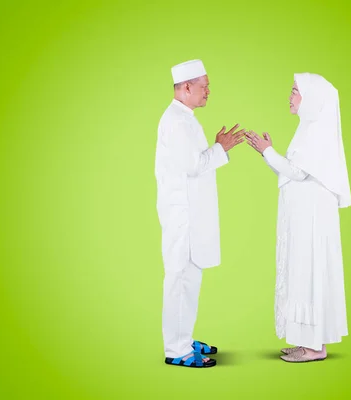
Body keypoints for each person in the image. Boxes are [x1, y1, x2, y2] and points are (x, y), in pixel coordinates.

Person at [246, 72, 351, 362]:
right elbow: (291, 170)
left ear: (312, 97)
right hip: (304, 216)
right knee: (303, 272)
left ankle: (315, 347)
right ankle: (308, 342)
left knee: (309, 272)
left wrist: (268, 151)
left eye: (295, 90)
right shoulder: (308, 128)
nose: (290, 95)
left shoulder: (317, 131)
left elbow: (298, 172)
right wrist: (268, 154)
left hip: (312, 220)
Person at [155, 59, 245, 368]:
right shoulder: (177, 121)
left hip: (189, 214)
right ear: (186, 88)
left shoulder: (185, 117)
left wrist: (219, 148)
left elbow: (193, 162)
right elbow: (193, 166)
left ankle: (183, 336)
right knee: (180, 277)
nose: (208, 91)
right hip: (182, 216)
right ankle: (176, 349)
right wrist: (222, 147)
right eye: (204, 86)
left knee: (190, 279)